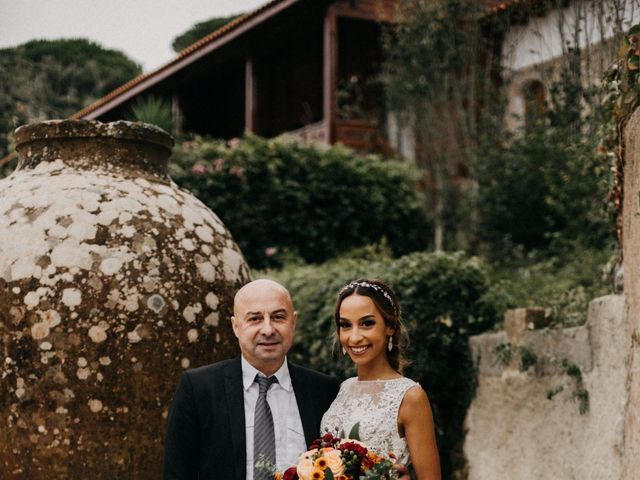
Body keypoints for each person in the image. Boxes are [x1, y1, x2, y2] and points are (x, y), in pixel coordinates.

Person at [162, 279, 339, 480]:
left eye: (278, 317)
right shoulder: (198, 389)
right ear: (236, 326)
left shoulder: (323, 390)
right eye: (255, 319)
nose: (268, 330)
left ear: (293, 322)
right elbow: (177, 473)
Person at [320, 278, 441, 480]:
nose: (355, 337)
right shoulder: (343, 388)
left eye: (367, 323)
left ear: (390, 327)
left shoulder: (410, 397)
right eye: (345, 325)